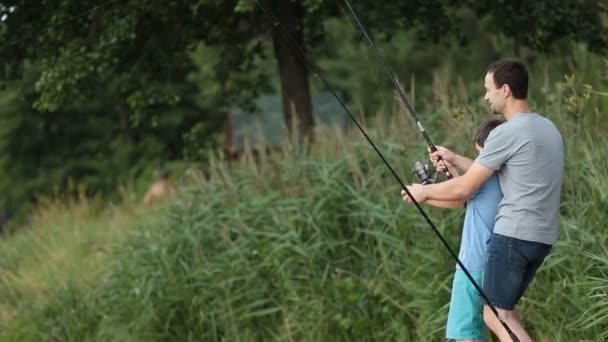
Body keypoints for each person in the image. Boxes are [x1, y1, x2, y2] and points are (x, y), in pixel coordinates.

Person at [401, 58, 564, 342]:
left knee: (495, 314)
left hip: (513, 234)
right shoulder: (547, 128)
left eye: (488, 89)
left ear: (505, 90)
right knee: (506, 313)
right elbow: (498, 171)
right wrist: (453, 158)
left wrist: (423, 192)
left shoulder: (507, 131)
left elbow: (464, 188)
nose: (485, 96)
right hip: (542, 237)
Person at [408, 119, 504, 341]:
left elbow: (458, 194)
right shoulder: (501, 179)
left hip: (473, 263)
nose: (480, 161)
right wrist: (450, 167)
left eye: (481, 155)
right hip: (494, 265)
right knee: (486, 329)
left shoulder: (487, 177)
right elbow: (463, 197)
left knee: (464, 334)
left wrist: (424, 192)